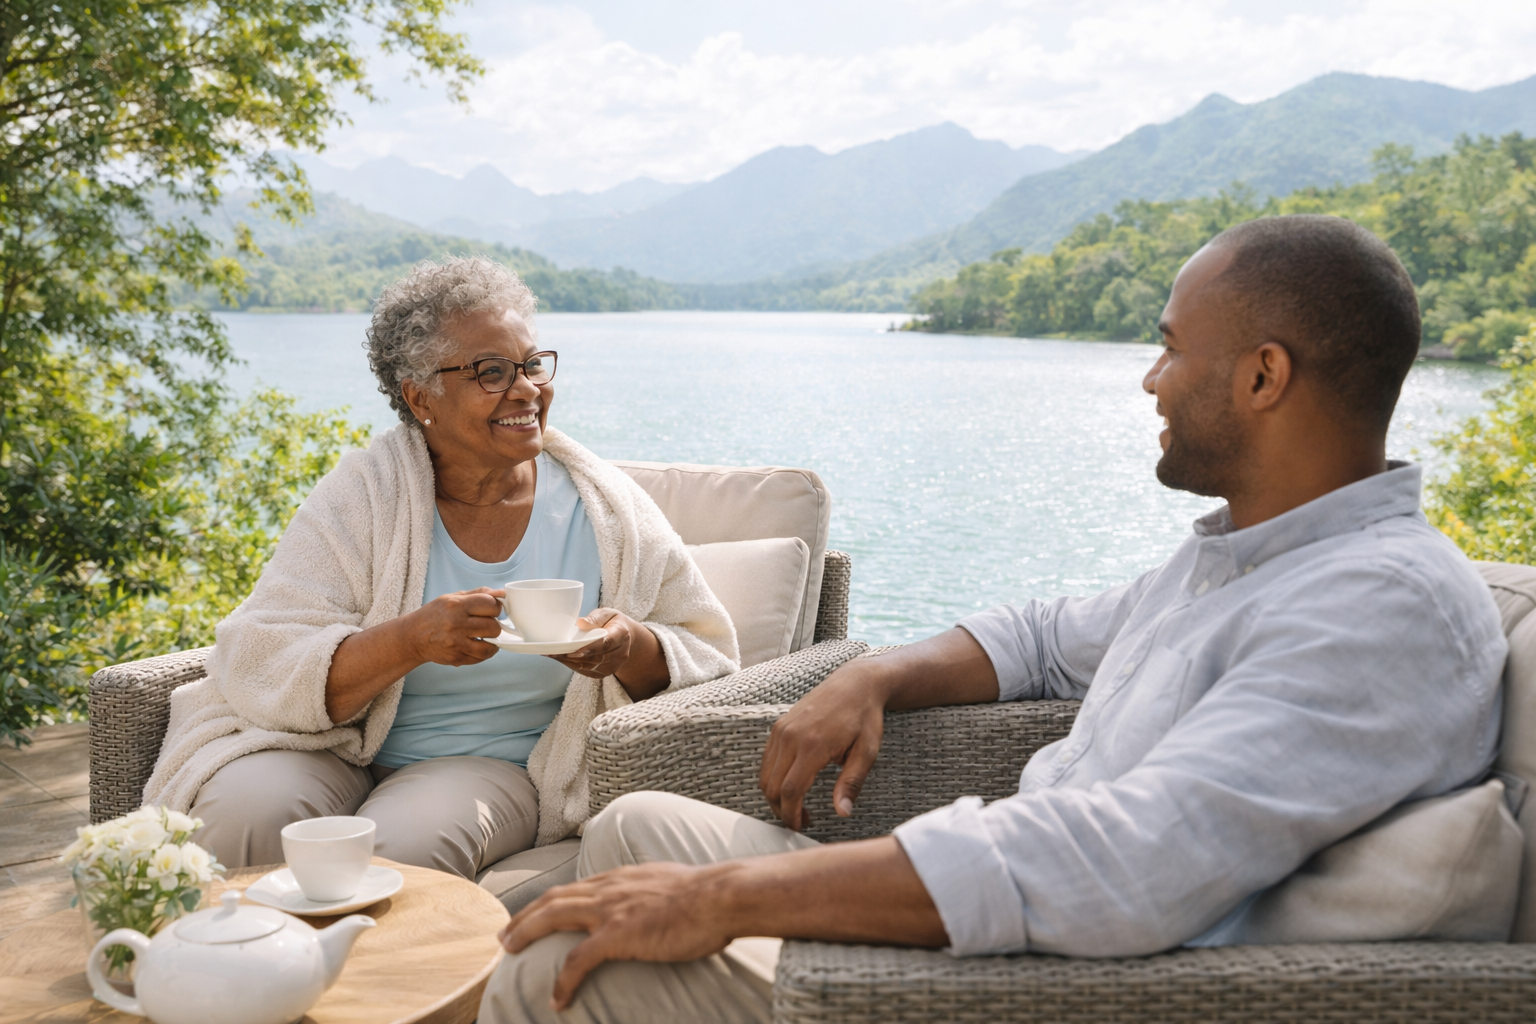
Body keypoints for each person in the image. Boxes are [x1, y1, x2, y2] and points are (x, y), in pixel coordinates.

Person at [477, 215, 1509, 1024]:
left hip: (1047, 983)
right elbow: (1042, 637)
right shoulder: (1246, 561)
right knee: (629, 826)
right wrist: (872, 676)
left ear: (1263, 376)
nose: (1151, 377)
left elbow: (1123, 865)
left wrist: (721, 902)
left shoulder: (1379, 608)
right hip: (1005, 925)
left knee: (551, 969)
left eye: (1169, 349)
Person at [143, 256, 739, 877]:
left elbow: (707, 656)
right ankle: (233, 967)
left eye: (533, 364)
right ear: (420, 396)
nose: (528, 389)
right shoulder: (363, 495)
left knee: (401, 850)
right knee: (241, 811)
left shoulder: (605, 510)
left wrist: (626, 647)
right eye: (492, 372)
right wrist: (411, 639)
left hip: (489, 766)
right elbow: (262, 654)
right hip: (335, 746)